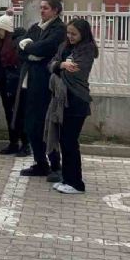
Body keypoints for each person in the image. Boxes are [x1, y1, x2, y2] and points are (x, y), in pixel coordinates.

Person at [17, 0, 67, 181]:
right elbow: (19, 46)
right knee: (31, 126)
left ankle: (55, 166)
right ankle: (40, 163)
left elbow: (44, 49)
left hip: (46, 85)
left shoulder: (59, 29)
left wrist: (30, 49)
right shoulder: (36, 27)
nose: (42, 11)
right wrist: (31, 51)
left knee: (48, 127)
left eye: (45, 8)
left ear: (55, 10)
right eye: (41, 8)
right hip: (30, 84)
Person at [47, 18, 98, 194]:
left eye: (74, 34)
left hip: (77, 100)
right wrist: (61, 65)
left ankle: (76, 183)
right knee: (63, 141)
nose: (70, 37)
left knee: (70, 141)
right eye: (68, 33)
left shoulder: (87, 49)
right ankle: (67, 179)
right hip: (62, 101)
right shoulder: (64, 46)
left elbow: (75, 72)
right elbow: (51, 64)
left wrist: (58, 69)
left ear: (83, 34)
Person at [0, 13, 30, 156]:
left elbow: (16, 68)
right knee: (10, 116)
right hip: (5, 86)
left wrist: (11, 86)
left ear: (6, 30)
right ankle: (13, 143)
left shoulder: (15, 45)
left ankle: (25, 144)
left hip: (16, 87)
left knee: (20, 116)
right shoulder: (1, 45)